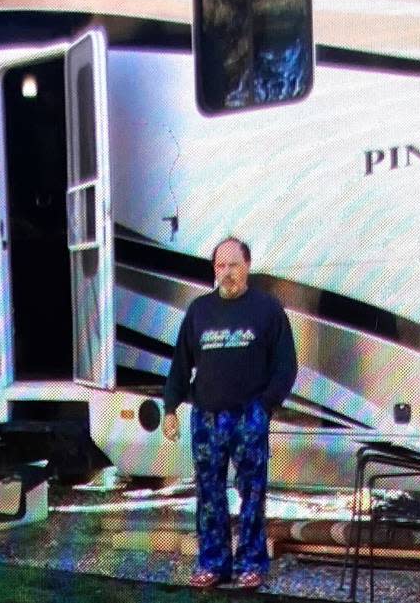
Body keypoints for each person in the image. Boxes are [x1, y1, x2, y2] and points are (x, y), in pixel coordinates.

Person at [162, 236, 297, 590]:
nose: (226, 273)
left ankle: (251, 564)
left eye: (233, 265)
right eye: (220, 266)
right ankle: (213, 564)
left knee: (251, 492)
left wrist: (264, 407)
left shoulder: (268, 310)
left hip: (248, 415)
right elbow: (181, 363)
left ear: (247, 266)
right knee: (209, 493)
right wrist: (170, 407)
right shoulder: (199, 311)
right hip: (205, 417)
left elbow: (286, 367)